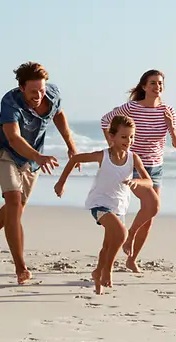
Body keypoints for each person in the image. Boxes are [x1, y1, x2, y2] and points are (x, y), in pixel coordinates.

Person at [0, 62, 76, 284]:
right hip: (7, 154)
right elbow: (13, 138)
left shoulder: (51, 94)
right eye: (33, 91)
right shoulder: (10, 102)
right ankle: (20, 267)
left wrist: (71, 145)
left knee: (17, 209)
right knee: (13, 203)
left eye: (42, 90)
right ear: (21, 88)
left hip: (32, 160)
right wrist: (39, 157)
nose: (39, 95)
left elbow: (58, 114)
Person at [54, 115, 153, 294]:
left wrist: (137, 183)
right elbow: (75, 159)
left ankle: (98, 273)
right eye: (124, 137)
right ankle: (108, 269)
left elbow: (149, 181)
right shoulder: (103, 155)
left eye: (131, 137)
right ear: (112, 137)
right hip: (99, 204)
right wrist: (61, 183)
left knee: (108, 245)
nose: (128, 141)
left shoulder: (133, 158)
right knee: (122, 234)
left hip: (119, 207)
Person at [100, 69, 176, 273]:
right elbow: (105, 121)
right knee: (153, 206)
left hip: (156, 168)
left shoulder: (167, 111)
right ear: (144, 86)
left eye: (160, 83)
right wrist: (114, 147)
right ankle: (129, 236)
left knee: (150, 215)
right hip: (135, 166)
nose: (157, 87)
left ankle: (131, 258)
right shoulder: (132, 108)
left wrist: (171, 127)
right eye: (153, 83)